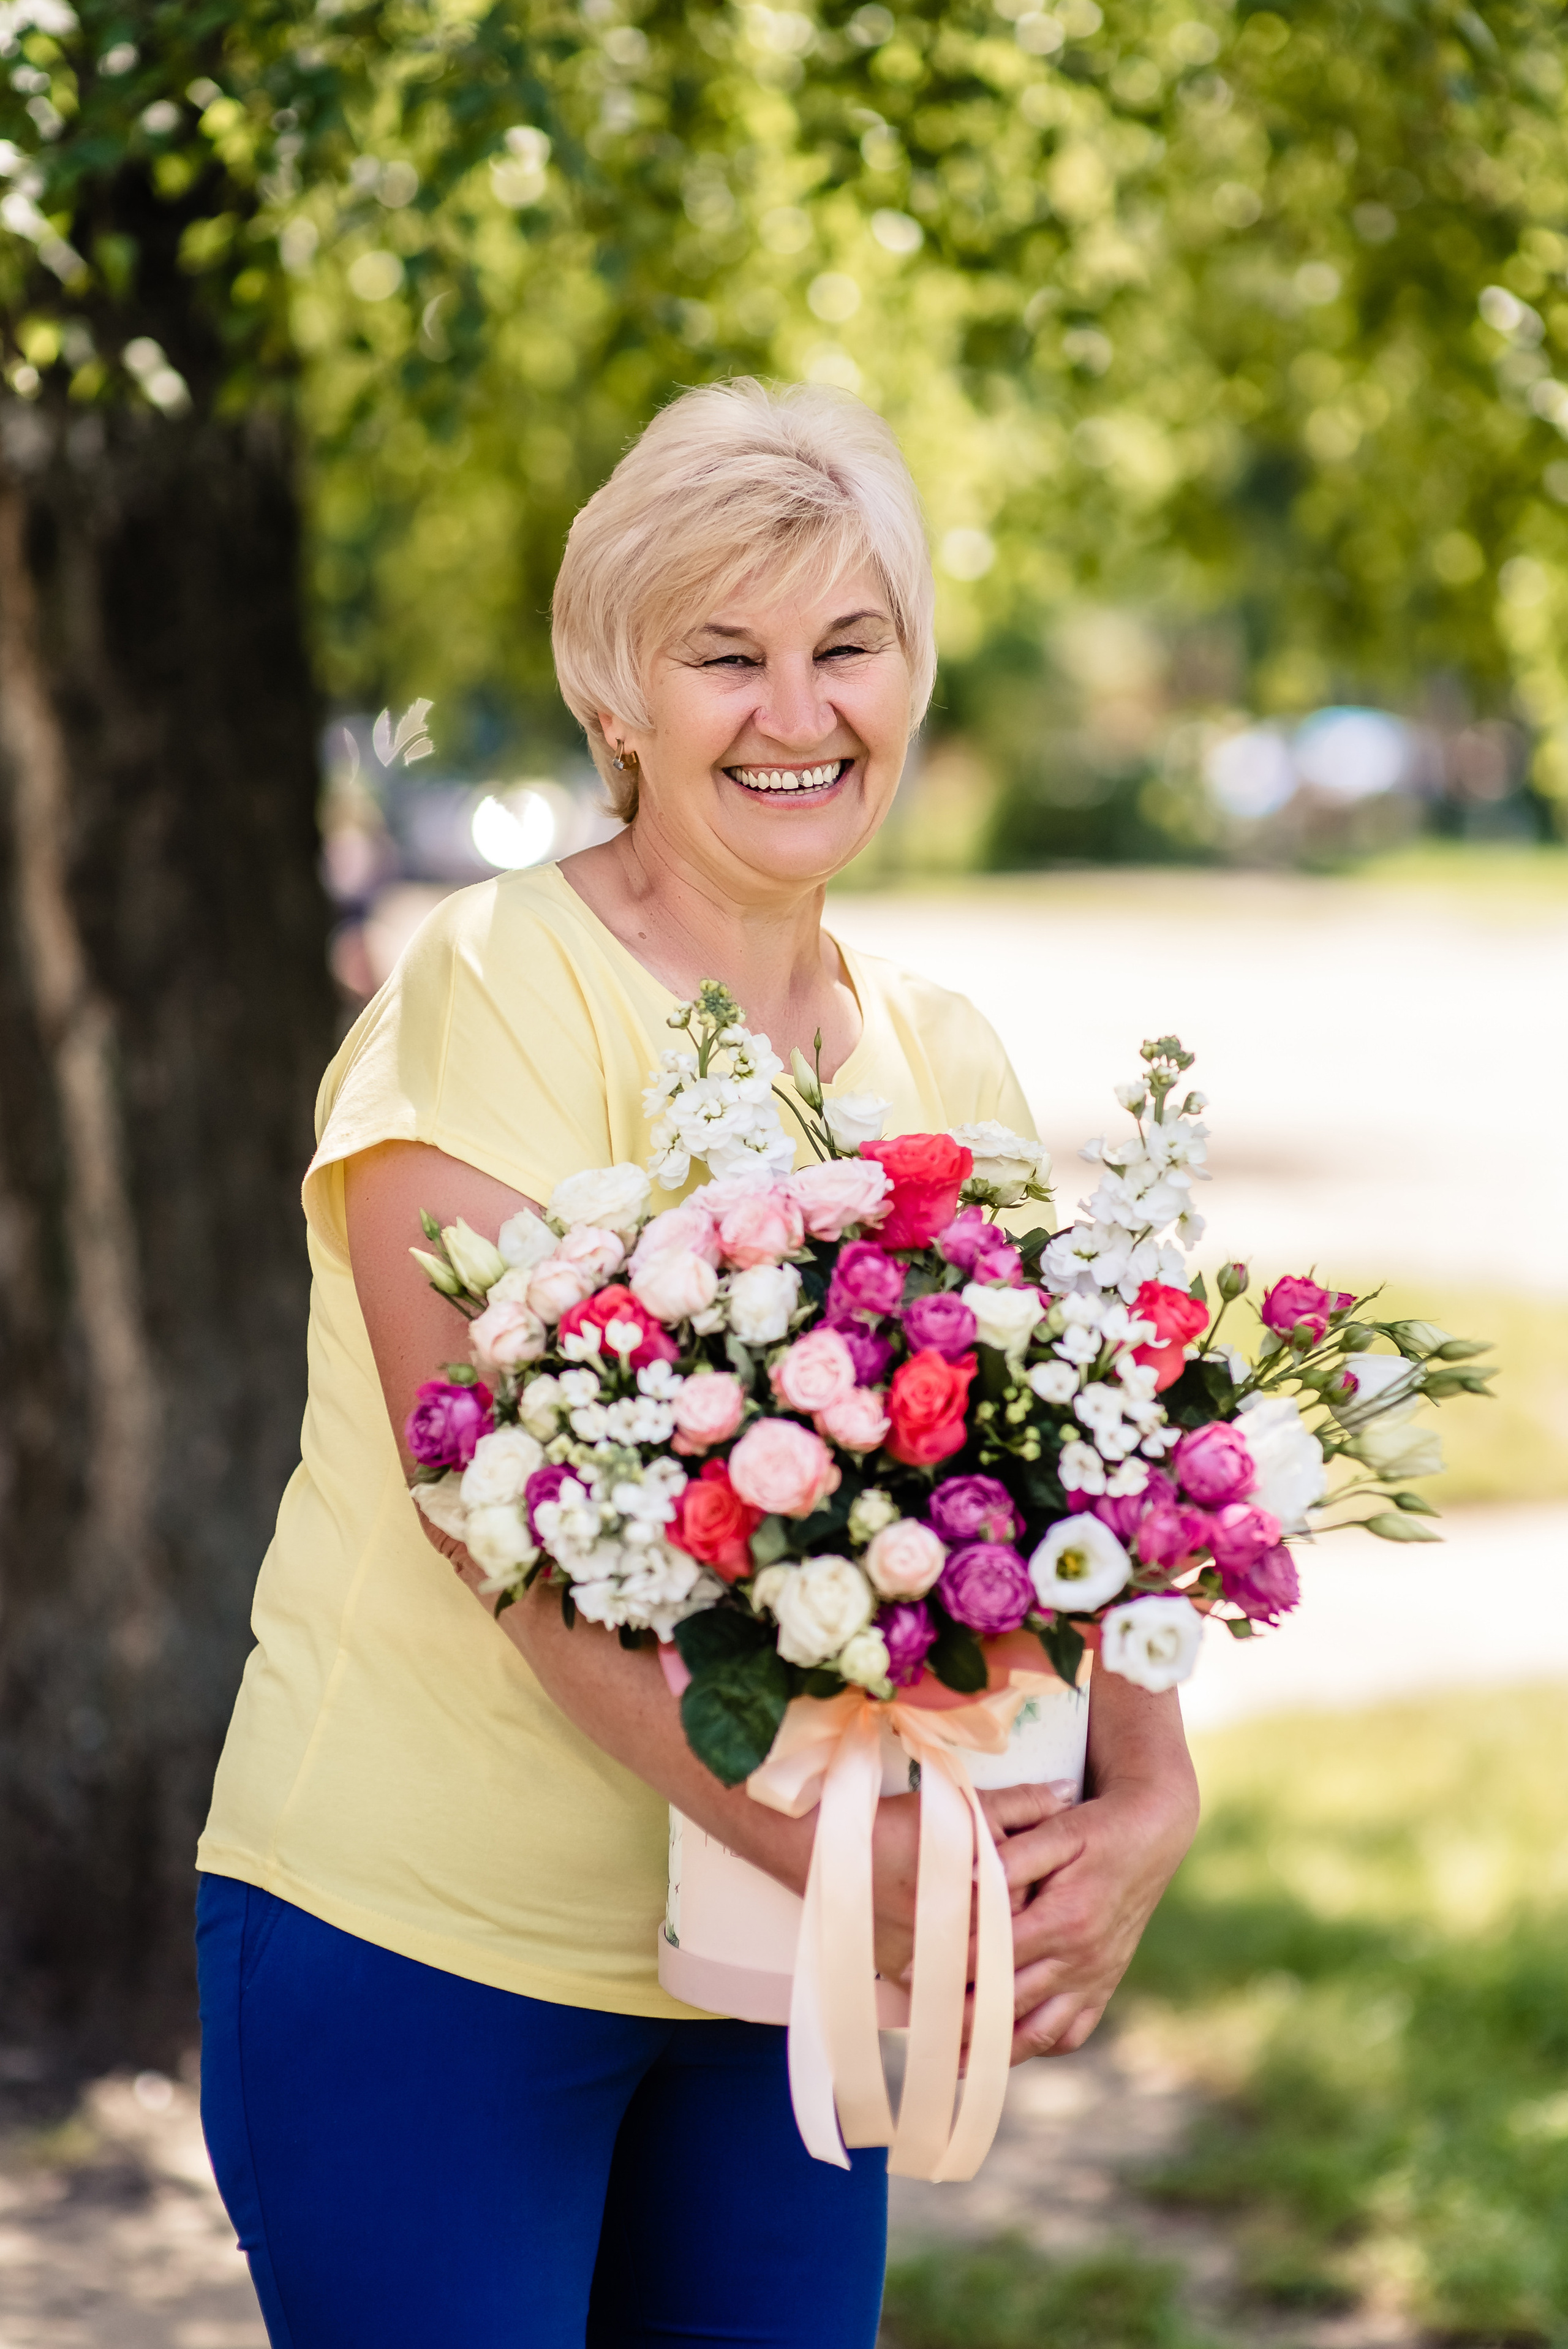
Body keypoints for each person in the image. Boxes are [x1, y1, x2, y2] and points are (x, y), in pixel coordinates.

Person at [195, 378, 1199, 2349]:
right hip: (424, 1948)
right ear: (616, 701)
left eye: (850, 645)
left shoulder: (948, 1054)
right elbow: (480, 1496)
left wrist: (1150, 1789)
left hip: (778, 1986)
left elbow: (1105, 1472)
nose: (799, 711)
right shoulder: (490, 983)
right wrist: (839, 1853)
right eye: (725, 655)